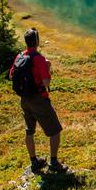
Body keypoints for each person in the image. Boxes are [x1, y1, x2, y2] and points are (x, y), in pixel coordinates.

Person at [9, 28, 65, 174]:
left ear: (26, 41)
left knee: (29, 131)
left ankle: (34, 162)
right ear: (37, 41)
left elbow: (11, 76)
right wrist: (48, 67)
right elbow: (46, 82)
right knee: (55, 131)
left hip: (24, 100)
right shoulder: (38, 59)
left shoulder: (19, 56)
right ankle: (53, 162)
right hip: (39, 99)